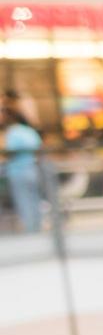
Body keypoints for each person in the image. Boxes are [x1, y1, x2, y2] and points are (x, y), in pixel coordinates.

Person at [3, 94, 43, 233]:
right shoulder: (30, 131)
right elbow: (39, 151)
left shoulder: (13, 132)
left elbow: (10, 152)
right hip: (32, 169)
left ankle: (30, 228)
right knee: (34, 198)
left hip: (18, 171)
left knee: (23, 200)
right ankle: (37, 225)